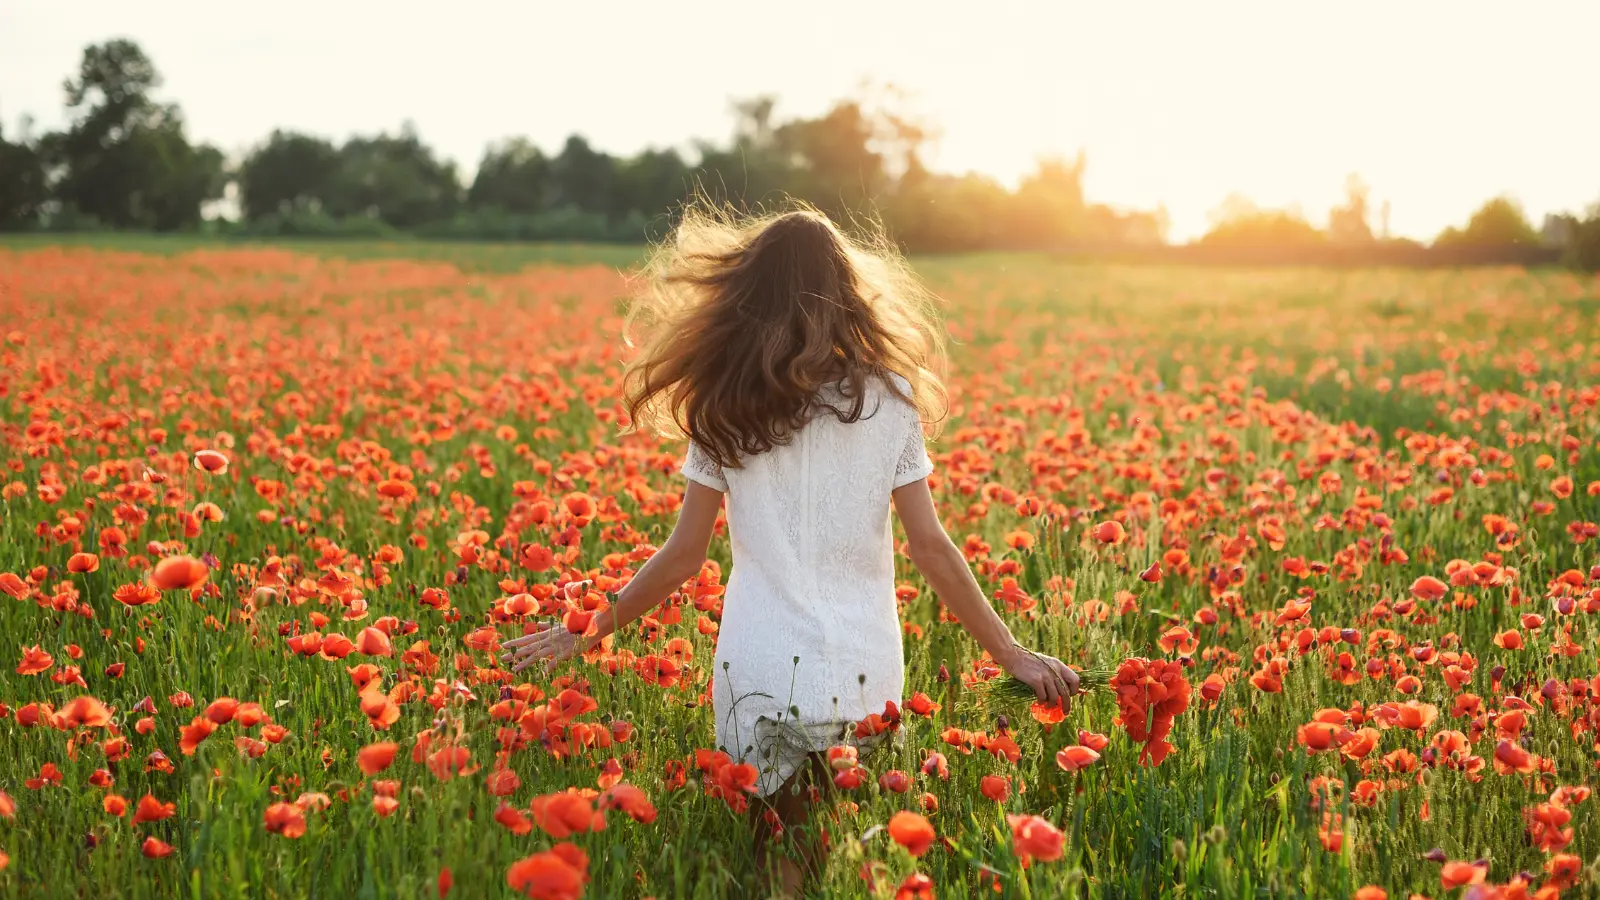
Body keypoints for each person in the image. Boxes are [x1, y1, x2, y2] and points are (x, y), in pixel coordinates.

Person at [502, 205, 1079, 896]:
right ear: (847, 293)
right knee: (835, 864)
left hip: (763, 668)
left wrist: (586, 634)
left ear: (747, 296)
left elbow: (685, 555)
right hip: (861, 670)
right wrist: (1010, 653)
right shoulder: (889, 400)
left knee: (776, 867)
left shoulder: (726, 405)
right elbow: (929, 545)